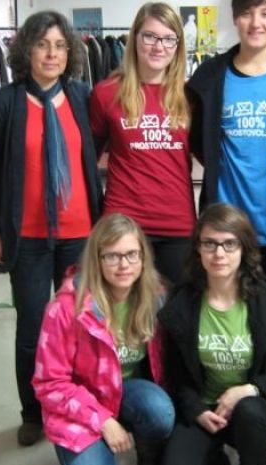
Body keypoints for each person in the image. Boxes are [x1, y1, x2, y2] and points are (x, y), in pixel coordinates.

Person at [0, 10, 103, 447]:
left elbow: (102, 149)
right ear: (27, 51)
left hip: (79, 234)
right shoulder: (5, 103)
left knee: (82, 326)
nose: (52, 54)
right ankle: (33, 412)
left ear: (69, 53)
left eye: (60, 46)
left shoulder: (83, 97)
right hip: (28, 237)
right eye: (43, 45)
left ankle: (81, 404)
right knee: (32, 329)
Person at [158, 203, 266, 465]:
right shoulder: (180, 305)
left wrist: (250, 389)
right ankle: (214, 459)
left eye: (229, 244)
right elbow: (175, 374)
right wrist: (196, 410)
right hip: (205, 406)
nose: (219, 253)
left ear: (244, 248)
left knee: (250, 412)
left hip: (257, 408)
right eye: (209, 243)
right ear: (198, 248)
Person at [32, 214, 174, 465]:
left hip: (128, 391)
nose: (124, 265)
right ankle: (92, 446)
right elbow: (49, 384)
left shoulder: (156, 296)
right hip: (82, 399)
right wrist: (103, 421)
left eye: (132, 254)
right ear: (96, 259)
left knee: (160, 411)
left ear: (143, 257)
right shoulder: (65, 309)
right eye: (112, 256)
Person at [185, 0, 266, 294]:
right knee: (224, 311)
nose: (256, 23)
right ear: (235, 18)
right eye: (246, 13)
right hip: (224, 231)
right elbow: (199, 143)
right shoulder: (210, 78)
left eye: (265, 14)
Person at [89, 2, 194, 285]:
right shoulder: (106, 93)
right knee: (123, 309)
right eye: (150, 36)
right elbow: (87, 160)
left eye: (169, 39)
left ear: (178, 46)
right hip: (123, 224)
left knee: (175, 309)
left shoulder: (190, 95)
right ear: (135, 38)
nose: (159, 46)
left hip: (177, 223)